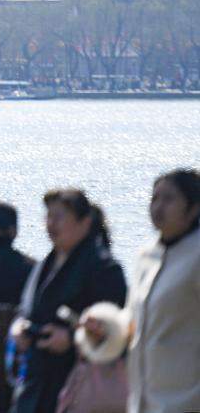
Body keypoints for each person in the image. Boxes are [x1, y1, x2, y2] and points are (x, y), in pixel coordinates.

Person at [82, 168, 200, 413]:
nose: (157, 207)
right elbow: (134, 321)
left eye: (169, 199)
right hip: (144, 403)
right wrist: (105, 330)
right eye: (154, 198)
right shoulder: (146, 256)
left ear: (194, 208)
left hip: (187, 402)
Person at [9, 188, 127, 413]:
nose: (51, 223)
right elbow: (27, 309)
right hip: (35, 385)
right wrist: (19, 327)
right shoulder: (45, 265)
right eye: (48, 216)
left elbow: (117, 333)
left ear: (84, 222)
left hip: (80, 386)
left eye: (59, 216)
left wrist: (72, 338)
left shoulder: (105, 269)